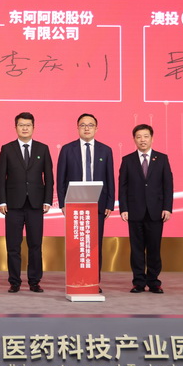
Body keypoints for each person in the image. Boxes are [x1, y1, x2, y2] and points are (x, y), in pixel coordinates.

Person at [56, 113, 115, 293]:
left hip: (98, 204)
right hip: (74, 204)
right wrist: (62, 203)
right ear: (77, 128)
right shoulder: (67, 149)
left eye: (90, 125)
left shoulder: (105, 150)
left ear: (96, 128)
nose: (87, 128)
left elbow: (110, 178)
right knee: (77, 245)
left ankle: (93, 281)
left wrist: (110, 203)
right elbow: (60, 179)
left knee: (95, 245)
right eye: (83, 125)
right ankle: (76, 280)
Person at [0, 112, 54, 293]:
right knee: (13, 246)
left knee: (35, 245)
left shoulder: (42, 149)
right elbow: (1, 177)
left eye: (28, 125)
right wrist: (2, 201)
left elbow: (49, 177)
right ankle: (14, 282)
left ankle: (34, 281)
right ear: (16, 127)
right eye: (21, 125)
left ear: (33, 128)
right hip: (13, 204)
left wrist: (47, 199)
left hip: (36, 204)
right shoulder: (7, 149)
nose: (24, 128)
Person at [118, 123, 174, 294]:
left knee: (154, 248)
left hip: (156, 211)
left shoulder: (162, 158)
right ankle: (138, 282)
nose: (142, 140)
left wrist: (167, 207)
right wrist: (123, 208)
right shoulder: (127, 160)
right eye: (139, 137)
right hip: (134, 211)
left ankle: (154, 282)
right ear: (134, 139)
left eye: (146, 136)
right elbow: (122, 186)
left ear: (152, 138)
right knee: (136, 249)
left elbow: (168, 185)